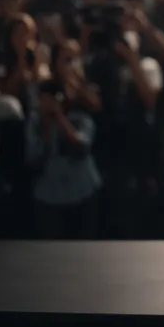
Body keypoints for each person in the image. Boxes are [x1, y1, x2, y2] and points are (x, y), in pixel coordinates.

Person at [26, 79, 100, 239]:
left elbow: (81, 146)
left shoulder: (79, 117)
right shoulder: (35, 122)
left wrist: (59, 117)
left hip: (81, 191)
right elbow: (33, 156)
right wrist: (47, 125)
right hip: (48, 195)